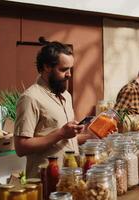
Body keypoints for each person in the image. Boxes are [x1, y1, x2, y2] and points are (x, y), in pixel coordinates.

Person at [14, 41, 92, 178]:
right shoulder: (30, 98)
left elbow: (65, 141)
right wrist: (61, 133)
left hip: (70, 178)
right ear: (47, 67)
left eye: (70, 69)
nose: (69, 74)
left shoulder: (66, 95)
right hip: (45, 181)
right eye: (63, 69)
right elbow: (21, 147)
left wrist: (91, 137)